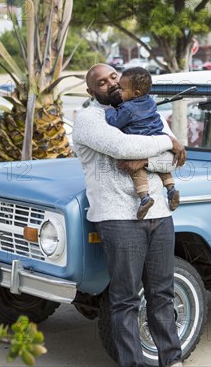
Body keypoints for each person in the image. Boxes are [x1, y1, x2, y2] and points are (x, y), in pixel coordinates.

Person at [72, 63, 185, 367]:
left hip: (159, 214)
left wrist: (147, 158)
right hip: (118, 219)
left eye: (113, 77)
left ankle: (172, 361)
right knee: (124, 300)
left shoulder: (146, 107)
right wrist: (166, 142)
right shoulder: (89, 119)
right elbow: (122, 146)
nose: (110, 84)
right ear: (91, 91)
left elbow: (173, 162)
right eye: (102, 82)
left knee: (162, 293)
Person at [105, 67, 180, 220]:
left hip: (138, 140)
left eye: (122, 89)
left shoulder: (127, 108)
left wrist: (109, 110)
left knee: (136, 169)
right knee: (163, 169)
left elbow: (114, 122)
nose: (119, 91)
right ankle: (171, 189)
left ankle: (145, 197)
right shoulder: (150, 102)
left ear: (136, 93)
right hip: (157, 136)